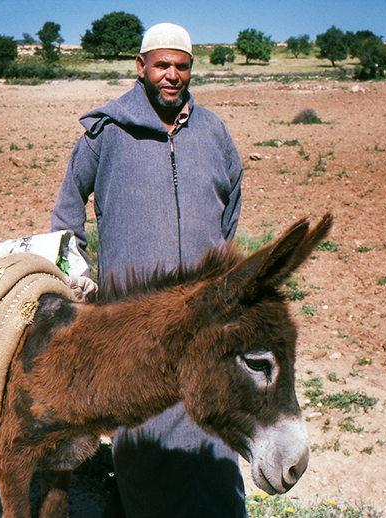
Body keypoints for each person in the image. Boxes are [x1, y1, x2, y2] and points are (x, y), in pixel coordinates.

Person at [51, 22, 246, 518]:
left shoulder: (214, 132)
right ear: (141, 67)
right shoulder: (107, 131)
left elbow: (231, 206)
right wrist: (76, 268)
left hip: (201, 309)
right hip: (132, 314)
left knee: (210, 416)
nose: (172, 75)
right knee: (144, 423)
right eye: (162, 65)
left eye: (181, 66)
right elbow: (69, 204)